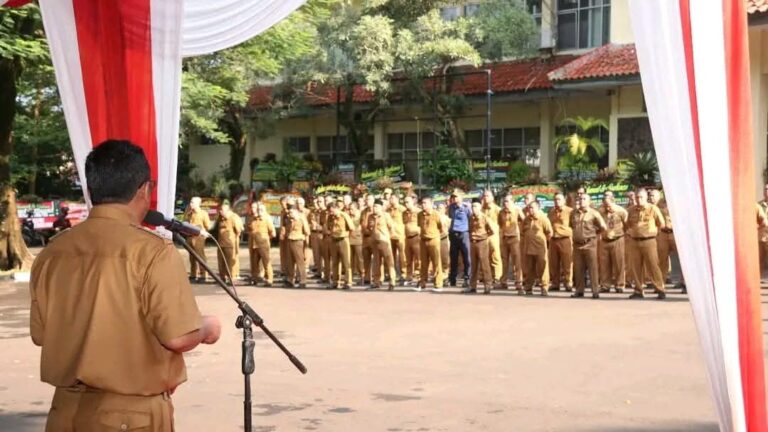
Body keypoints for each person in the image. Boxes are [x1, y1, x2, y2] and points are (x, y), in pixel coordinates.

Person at [30, 140, 221, 431]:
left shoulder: (52, 252)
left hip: (64, 413)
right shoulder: (152, 252)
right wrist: (207, 328)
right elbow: (178, 338)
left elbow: (41, 334)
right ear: (144, 189)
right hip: (130, 417)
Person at [626, 188, 667, 299]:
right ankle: (638, 290)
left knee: (653, 266)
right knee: (636, 267)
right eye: (637, 197)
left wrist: (654, 232)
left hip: (649, 240)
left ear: (646, 198)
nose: (639, 200)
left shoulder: (653, 209)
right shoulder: (630, 210)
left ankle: (660, 289)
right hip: (634, 241)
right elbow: (627, 224)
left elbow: (661, 224)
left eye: (641, 197)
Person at [570, 194, 606, 298]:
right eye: (580, 199)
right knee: (578, 268)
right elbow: (571, 226)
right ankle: (579, 290)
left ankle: (595, 291)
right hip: (577, 244)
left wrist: (594, 234)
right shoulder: (573, 213)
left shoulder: (594, 213)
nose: (581, 200)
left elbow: (603, 226)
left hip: (590, 243)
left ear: (589, 201)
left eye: (584, 199)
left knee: (593, 268)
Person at [598, 191, 628, 294]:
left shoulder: (621, 211)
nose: (607, 207)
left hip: (617, 239)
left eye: (609, 204)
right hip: (604, 240)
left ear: (613, 201)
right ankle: (605, 285)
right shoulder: (600, 211)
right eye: (605, 204)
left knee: (619, 263)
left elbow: (627, 224)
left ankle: (620, 285)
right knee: (604, 264)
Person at [521, 200, 552, 295]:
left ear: (538, 208)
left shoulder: (543, 219)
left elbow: (549, 233)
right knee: (529, 269)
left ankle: (544, 287)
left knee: (543, 267)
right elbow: (522, 232)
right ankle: (528, 288)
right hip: (528, 248)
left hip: (540, 248)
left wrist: (545, 243)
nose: (530, 210)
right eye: (529, 208)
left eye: (532, 208)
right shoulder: (526, 219)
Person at [368, 199, 397, 290]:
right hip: (374, 242)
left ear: (381, 207)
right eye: (374, 206)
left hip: (384, 242)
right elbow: (369, 228)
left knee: (389, 262)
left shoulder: (385, 216)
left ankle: (392, 281)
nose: (374, 208)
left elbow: (391, 227)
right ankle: (377, 281)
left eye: (376, 206)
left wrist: (387, 238)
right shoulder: (370, 217)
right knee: (376, 263)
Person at [649, 189, 676, 287]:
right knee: (662, 259)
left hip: (675, 233)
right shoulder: (654, 205)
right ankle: (661, 282)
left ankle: (684, 283)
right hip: (662, 233)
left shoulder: (675, 202)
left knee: (682, 259)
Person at [468, 200, 495, 294]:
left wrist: (484, 236)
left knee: (485, 265)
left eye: (475, 206)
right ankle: (472, 286)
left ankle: (487, 286)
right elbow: (470, 229)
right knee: (474, 265)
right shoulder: (471, 217)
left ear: (480, 207)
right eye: (472, 206)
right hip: (473, 242)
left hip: (482, 242)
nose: (473, 208)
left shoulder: (485, 218)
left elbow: (492, 230)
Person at [547, 193, 573, 292]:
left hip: (565, 239)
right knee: (553, 264)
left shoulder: (570, 211)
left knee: (567, 263)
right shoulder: (551, 212)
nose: (557, 201)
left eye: (559, 199)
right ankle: (555, 283)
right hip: (553, 240)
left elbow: (574, 225)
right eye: (555, 199)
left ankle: (568, 283)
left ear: (564, 201)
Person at [498, 194, 524, 292]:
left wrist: (519, 231)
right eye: (504, 201)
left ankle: (518, 282)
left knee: (517, 261)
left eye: (508, 201)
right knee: (504, 261)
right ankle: (503, 282)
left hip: (514, 239)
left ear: (512, 202)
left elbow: (524, 221)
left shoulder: (517, 210)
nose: (506, 203)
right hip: (505, 238)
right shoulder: (501, 212)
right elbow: (500, 223)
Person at [418, 197, 444, 292]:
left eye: (425, 203)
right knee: (423, 263)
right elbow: (419, 226)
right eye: (422, 203)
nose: (423, 204)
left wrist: (435, 235)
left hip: (433, 240)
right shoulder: (420, 215)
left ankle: (438, 284)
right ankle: (422, 283)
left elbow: (441, 227)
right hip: (423, 240)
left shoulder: (436, 214)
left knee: (436, 262)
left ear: (431, 204)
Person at [246, 202, 276, 287]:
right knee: (254, 263)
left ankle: (269, 279)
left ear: (265, 210)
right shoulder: (253, 219)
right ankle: (254, 278)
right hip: (254, 244)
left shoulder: (267, 219)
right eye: (258, 209)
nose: (260, 211)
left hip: (263, 244)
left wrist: (265, 239)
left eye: (262, 210)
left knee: (266, 263)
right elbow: (249, 229)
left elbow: (273, 233)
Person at [327, 201, 355, 289]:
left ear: (337, 208)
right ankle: (335, 282)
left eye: (332, 211)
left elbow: (352, 228)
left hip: (343, 240)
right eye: (329, 211)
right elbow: (328, 227)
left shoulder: (344, 215)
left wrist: (347, 237)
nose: (331, 213)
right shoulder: (330, 217)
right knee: (335, 262)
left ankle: (348, 282)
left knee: (346, 262)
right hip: (333, 240)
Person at [184, 197, 211, 283]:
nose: (190, 204)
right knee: (192, 257)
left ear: (198, 204)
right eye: (190, 202)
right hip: (190, 237)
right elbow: (185, 223)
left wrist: (202, 232)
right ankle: (193, 274)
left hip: (198, 238)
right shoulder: (189, 213)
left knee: (200, 256)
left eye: (192, 202)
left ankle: (203, 275)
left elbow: (208, 226)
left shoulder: (203, 214)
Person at [215, 199, 243, 283]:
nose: (220, 212)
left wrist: (233, 239)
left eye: (222, 210)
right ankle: (222, 277)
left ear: (228, 211)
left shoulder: (233, 217)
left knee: (230, 261)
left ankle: (231, 277)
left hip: (229, 243)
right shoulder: (220, 219)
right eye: (220, 210)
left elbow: (238, 230)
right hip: (220, 243)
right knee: (221, 262)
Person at [448, 189, 472, 287]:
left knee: (466, 257)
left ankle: (467, 278)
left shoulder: (466, 208)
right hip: (453, 234)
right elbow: (450, 218)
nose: (454, 198)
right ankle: (452, 279)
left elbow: (470, 219)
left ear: (461, 198)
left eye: (456, 196)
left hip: (463, 234)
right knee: (453, 258)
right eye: (453, 197)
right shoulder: (451, 207)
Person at [285, 205, 310, 288]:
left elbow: (307, 231)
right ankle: (290, 279)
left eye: (291, 212)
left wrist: (306, 242)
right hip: (289, 240)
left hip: (298, 240)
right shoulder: (288, 220)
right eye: (289, 212)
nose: (289, 214)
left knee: (300, 262)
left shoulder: (301, 219)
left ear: (296, 212)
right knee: (289, 262)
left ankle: (303, 280)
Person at [482, 190, 502, 284]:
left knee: (495, 256)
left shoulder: (497, 209)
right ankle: (486, 276)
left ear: (492, 198)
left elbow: (502, 223)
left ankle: (497, 277)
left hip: (494, 236)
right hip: (483, 236)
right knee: (485, 257)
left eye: (488, 196)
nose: (485, 197)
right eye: (484, 195)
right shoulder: (481, 209)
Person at [402, 195, 421, 286]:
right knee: (408, 260)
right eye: (404, 202)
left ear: (413, 202)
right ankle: (409, 277)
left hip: (416, 237)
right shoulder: (404, 213)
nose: (406, 204)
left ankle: (418, 277)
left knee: (418, 259)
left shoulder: (418, 212)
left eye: (407, 202)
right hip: (407, 238)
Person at [388, 195, 406, 283]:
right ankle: (392, 273)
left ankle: (403, 273)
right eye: (390, 198)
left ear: (398, 199)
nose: (391, 200)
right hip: (390, 235)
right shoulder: (388, 210)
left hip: (400, 235)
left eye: (393, 198)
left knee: (402, 255)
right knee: (391, 256)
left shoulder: (402, 209)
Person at [360, 194, 376, 285]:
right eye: (366, 199)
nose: (367, 201)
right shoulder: (363, 212)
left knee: (377, 259)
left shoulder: (376, 211)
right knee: (366, 258)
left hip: (373, 237)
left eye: (369, 199)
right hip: (365, 238)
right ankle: (367, 277)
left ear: (373, 200)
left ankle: (378, 277)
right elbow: (361, 223)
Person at [348, 202, 365, 284]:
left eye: (352, 209)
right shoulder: (348, 216)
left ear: (356, 208)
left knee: (360, 259)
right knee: (350, 259)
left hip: (359, 239)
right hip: (349, 239)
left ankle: (362, 276)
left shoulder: (360, 216)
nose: (350, 210)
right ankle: (349, 277)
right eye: (349, 209)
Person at [309, 196, 326, 277]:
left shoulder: (326, 212)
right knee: (316, 255)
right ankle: (319, 272)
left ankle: (326, 273)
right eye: (317, 202)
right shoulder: (313, 212)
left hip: (322, 234)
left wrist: (319, 226)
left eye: (320, 201)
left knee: (325, 254)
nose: (318, 203)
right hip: (314, 234)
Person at [437, 202, 451, 276]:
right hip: (436, 239)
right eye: (438, 208)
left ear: (445, 209)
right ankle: (438, 274)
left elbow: (449, 228)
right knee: (437, 258)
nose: (439, 209)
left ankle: (445, 273)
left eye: (441, 208)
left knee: (445, 257)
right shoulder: (435, 217)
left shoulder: (447, 219)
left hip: (444, 239)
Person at [759, 184, 768, 278]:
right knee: (760, 260)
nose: (766, 191)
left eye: (767, 189)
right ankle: (759, 278)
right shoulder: (759, 205)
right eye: (765, 189)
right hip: (762, 237)